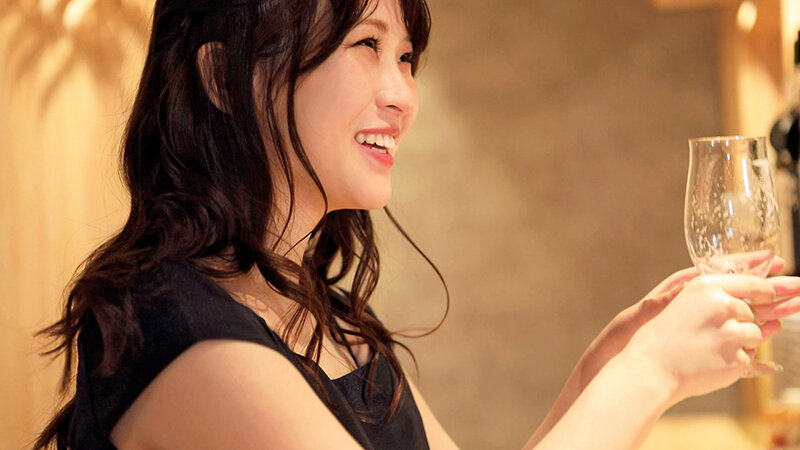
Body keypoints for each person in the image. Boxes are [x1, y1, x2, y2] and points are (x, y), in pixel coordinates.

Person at [34, 0, 800, 448]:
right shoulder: (177, 328)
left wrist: (608, 366)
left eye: (405, 57)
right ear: (224, 80)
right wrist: (653, 370)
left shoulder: (321, 312)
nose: (403, 95)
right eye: (367, 44)